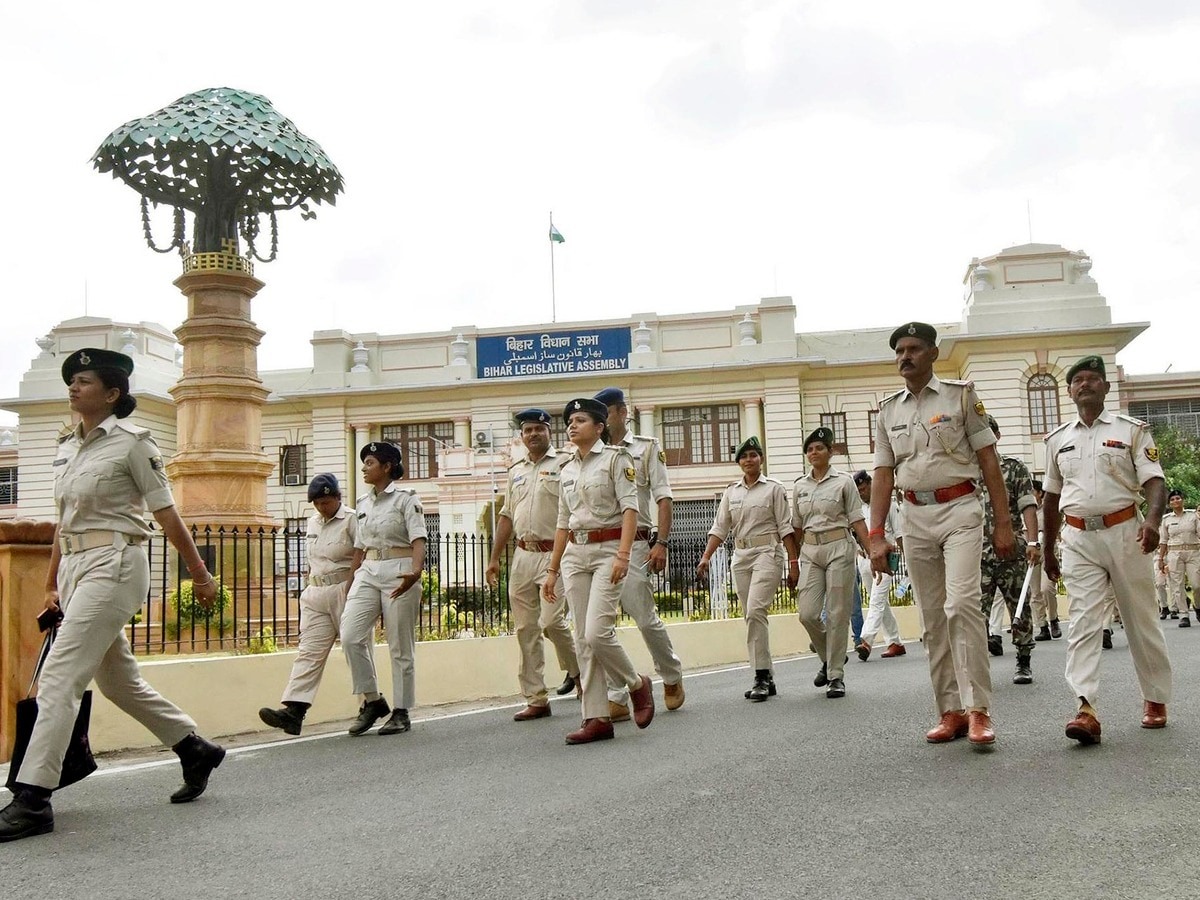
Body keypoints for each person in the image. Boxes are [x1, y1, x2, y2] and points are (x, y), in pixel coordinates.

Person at [0, 349, 225, 843]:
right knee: (120, 683)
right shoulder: (67, 448)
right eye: (71, 381)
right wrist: (51, 582)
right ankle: (194, 748)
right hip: (77, 569)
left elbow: (166, 514)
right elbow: (64, 522)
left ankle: (33, 799)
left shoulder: (133, 446)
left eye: (83, 381)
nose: (73, 388)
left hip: (116, 563)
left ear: (112, 392)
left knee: (59, 675)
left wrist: (200, 575)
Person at [869, 322, 1015, 750]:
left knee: (963, 604)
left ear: (933, 353)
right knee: (932, 616)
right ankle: (949, 710)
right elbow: (882, 474)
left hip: (961, 508)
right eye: (899, 350)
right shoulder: (887, 410)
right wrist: (876, 534)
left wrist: (1003, 522)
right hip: (913, 514)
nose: (904, 356)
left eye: (913, 348)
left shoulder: (961, 395)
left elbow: (988, 459)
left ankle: (979, 709)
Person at [1043, 355, 1173, 745]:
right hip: (1078, 537)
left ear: (1106, 386)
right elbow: (1051, 497)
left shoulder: (1131, 431)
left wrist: (1151, 521)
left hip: (1125, 532)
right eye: (1077, 380)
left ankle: (1155, 698)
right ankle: (1086, 708)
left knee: (1140, 618)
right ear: (1069, 391)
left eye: (1093, 379)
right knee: (1083, 621)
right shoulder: (1057, 440)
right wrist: (1048, 548)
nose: (1085, 385)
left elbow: (1154, 482)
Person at [542, 398, 655, 744]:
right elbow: (562, 522)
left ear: (599, 426)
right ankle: (596, 716)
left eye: (579, 420)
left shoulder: (616, 460)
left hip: (609, 551)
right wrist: (552, 569)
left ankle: (636, 684)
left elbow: (630, 509)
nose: (572, 426)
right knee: (581, 638)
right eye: (570, 421)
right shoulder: (567, 470)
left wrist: (623, 555)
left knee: (596, 632)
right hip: (576, 553)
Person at [594, 387, 685, 718]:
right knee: (599, 626)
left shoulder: (647, 449)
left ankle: (671, 676)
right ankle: (618, 694)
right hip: (599, 546)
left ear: (622, 412)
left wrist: (661, 542)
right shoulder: (593, 454)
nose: (601, 419)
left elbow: (663, 497)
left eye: (606, 411)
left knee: (644, 617)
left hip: (635, 546)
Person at [485, 408, 581, 722]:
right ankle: (536, 697)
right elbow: (506, 516)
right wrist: (494, 557)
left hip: (556, 554)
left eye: (538, 429)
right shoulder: (515, 471)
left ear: (548, 432)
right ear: (521, 436)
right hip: (523, 556)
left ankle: (578, 670)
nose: (533, 435)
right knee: (526, 629)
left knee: (552, 622)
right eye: (527, 431)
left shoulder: (565, 464)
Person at [697, 436, 798, 701]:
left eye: (753, 455)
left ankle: (761, 676)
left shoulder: (774, 488)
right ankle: (766, 675)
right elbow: (720, 528)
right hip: (740, 556)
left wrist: (794, 562)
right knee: (750, 616)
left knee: (755, 610)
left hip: (767, 552)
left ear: (761, 459)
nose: (748, 460)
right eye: (744, 456)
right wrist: (706, 557)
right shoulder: (732, 491)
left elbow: (786, 528)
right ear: (739, 462)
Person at [259, 473, 360, 735]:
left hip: (344, 588)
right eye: (317, 503)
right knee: (309, 652)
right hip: (315, 591)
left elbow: (363, 554)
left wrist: (352, 588)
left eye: (326, 502)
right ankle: (295, 710)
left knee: (356, 649)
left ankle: (370, 703)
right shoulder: (312, 523)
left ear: (337, 497)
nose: (321, 507)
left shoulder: (352, 519)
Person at [340, 441, 427, 737]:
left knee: (400, 645)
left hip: (399, 570)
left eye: (370, 463)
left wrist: (415, 572)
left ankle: (401, 711)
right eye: (363, 463)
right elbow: (359, 548)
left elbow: (418, 539)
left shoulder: (406, 499)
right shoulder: (363, 504)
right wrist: (351, 581)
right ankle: (373, 700)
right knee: (351, 635)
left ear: (387, 466)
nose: (364, 468)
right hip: (369, 570)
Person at [792, 427, 868, 698]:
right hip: (811, 551)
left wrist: (871, 550)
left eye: (819, 448)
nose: (814, 453)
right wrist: (792, 559)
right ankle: (830, 655)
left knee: (837, 613)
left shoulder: (844, 482)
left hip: (839, 547)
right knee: (808, 613)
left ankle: (835, 674)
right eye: (810, 449)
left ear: (830, 452)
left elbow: (857, 519)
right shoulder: (799, 485)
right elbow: (797, 527)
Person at [979, 416, 1041, 685]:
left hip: (1011, 549)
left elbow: (1028, 505)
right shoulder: (967, 470)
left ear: (998, 435)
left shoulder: (1014, 468)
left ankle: (1023, 660)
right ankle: (978, 666)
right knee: (974, 612)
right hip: (977, 553)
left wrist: (1032, 541)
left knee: (1019, 606)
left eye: (989, 433)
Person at [852, 470, 905, 660]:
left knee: (876, 599)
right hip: (864, 559)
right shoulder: (858, 508)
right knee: (880, 602)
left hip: (884, 557)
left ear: (871, 484)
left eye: (864, 488)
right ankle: (895, 642)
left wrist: (905, 563)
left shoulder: (887, 505)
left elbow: (899, 534)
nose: (862, 493)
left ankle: (865, 641)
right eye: (858, 491)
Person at [1159, 488, 1199, 627]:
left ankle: (1198, 605)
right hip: (1174, 553)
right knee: (1177, 585)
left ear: (1183, 500)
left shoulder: (1193, 516)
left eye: (1178, 498)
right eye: (1172, 500)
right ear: (1170, 504)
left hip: (1193, 551)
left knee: (1197, 584)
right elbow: (1163, 540)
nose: (1176, 501)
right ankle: (1184, 614)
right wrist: (1160, 559)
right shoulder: (1166, 520)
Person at [1030, 481, 1063, 642]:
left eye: (1033, 491)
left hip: (1047, 546)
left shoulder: (1047, 508)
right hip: (1030, 548)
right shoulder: (1026, 509)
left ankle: (1054, 619)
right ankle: (1042, 625)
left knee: (1047, 588)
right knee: (1035, 591)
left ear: (1040, 493)